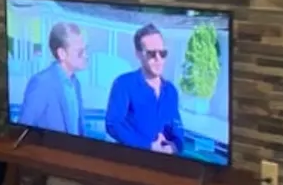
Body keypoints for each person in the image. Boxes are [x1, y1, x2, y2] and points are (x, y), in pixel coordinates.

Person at [105, 24, 183, 154]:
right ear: (138, 54)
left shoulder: (171, 91)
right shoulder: (124, 84)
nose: (158, 59)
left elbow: (177, 126)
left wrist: (175, 146)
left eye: (162, 53)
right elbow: (113, 124)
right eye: (152, 54)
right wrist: (148, 146)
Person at [17, 22, 87, 135]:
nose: (85, 55)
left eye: (85, 50)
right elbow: (23, 130)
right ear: (62, 53)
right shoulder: (42, 83)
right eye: (80, 52)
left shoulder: (75, 83)